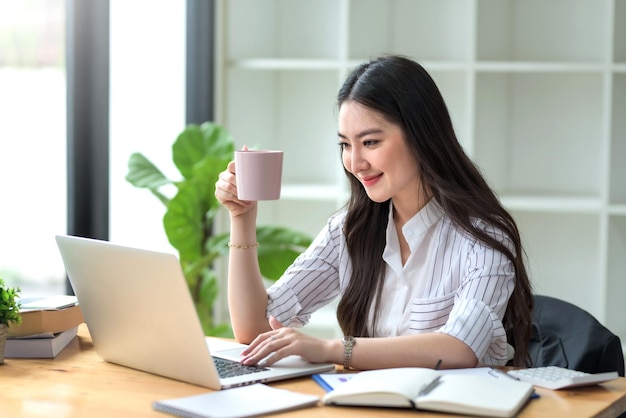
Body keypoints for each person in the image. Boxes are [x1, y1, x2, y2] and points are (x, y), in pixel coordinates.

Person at [215, 54, 533, 371]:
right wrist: (242, 219)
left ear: (420, 134)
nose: (355, 163)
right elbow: (253, 329)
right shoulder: (350, 230)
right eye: (345, 145)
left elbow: (460, 347)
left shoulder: (483, 237)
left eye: (370, 142)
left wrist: (331, 349)